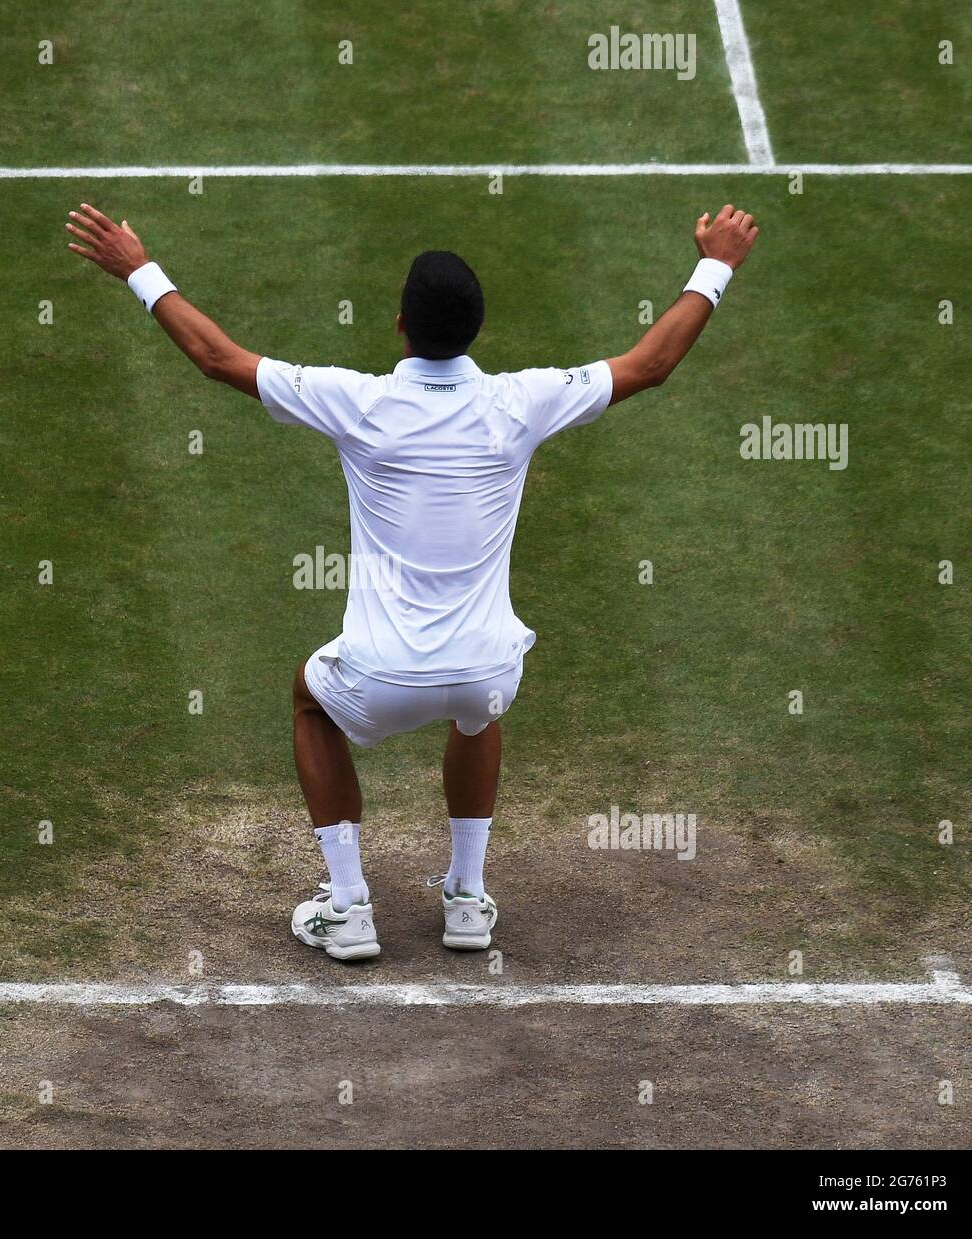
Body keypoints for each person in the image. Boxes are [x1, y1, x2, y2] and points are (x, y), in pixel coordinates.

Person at [67, 200, 758, 962]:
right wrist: (716, 262)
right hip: (487, 674)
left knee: (308, 698)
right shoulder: (522, 402)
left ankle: (350, 907)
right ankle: (466, 899)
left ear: (400, 324)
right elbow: (651, 364)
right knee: (480, 698)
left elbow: (218, 358)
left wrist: (139, 269)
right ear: (478, 330)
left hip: (377, 679)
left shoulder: (358, 402)